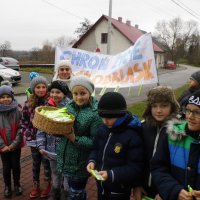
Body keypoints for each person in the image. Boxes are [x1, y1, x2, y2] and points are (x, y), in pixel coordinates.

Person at [87, 92, 145, 200]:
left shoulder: (132, 135)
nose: (105, 121)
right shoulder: (103, 128)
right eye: (102, 117)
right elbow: (95, 148)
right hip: (101, 185)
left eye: (109, 118)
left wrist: (111, 174)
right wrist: (92, 160)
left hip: (119, 190)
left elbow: (135, 167)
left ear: (121, 115)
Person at [56, 76, 102, 200]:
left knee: (75, 192)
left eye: (83, 93)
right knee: (75, 191)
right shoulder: (69, 106)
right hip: (66, 159)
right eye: (75, 93)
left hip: (80, 164)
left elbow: (94, 142)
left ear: (89, 92)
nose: (78, 97)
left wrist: (74, 138)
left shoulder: (95, 114)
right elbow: (62, 127)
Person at [151, 90, 200, 200]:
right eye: (188, 110)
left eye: (198, 112)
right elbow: (158, 167)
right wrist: (173, 190)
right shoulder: (172, 136)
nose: (190, 116)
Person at [133, 86, 180, 200]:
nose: (158, 110)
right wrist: (137, 184)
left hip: (166, 192)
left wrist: (167, 192)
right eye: (154, 106)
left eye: (164, 106)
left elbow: (178, 168)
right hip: (144, 189)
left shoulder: (177, 131)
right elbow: (137, 159)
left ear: (172, 106)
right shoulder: (143, 127)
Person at [36, 80, 71, 200]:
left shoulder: (70, 108)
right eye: (52, 92)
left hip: (66, 150)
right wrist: (41, 146)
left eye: (58, 92)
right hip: (51, 149)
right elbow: (41, 128)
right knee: (55, 172)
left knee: (66, 174)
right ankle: (55, 193)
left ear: (64, 94)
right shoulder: (47, 107)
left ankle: (66, 195)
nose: (54, 95)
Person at [20, 76, 52, 198]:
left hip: (47, 140)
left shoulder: (50, 103)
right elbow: (24, 122)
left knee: (46, 163)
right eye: (38, 87)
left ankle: (48, 183)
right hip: (33, 140)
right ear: (33, 89)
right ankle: (36, 184)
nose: (41, 89)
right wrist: (28, 135)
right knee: (35, 163)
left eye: (44, 87)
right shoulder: (28, 104)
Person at [0, 85, 24, 198]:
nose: (5, 99)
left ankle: (17, 184)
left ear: (12, 97)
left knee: (15, 166)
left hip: (15, 146)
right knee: (6, 167)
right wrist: (3, 145)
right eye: (2, 97)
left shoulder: (18, 110)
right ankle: (7, 186)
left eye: (8, 96)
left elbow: (21, 128)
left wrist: (14, 144)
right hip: (3, 147)